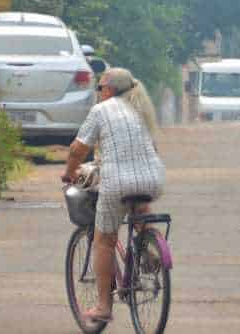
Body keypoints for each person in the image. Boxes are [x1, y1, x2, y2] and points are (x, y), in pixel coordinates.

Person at [62, 67, 165, 327]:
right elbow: (150, 148)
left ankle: (104, 306)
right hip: (152, 178)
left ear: (108, 89)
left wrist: (70, 171)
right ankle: (148, 248)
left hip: (118, 182)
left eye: (99, 88)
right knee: (138, 208)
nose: (98, 93)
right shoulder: (141, 110)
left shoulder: (101, 111)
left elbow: (78, 148)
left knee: (104, 241)